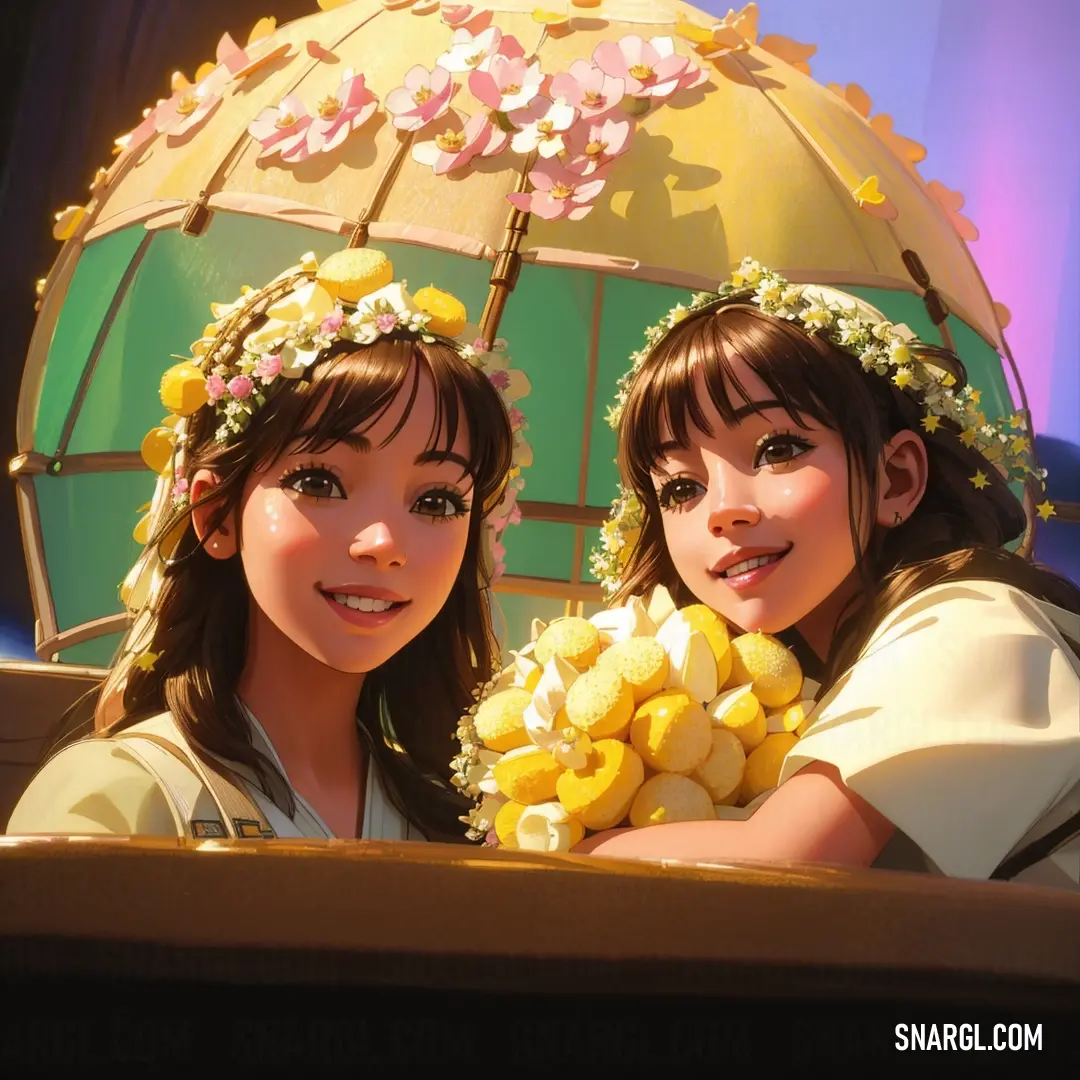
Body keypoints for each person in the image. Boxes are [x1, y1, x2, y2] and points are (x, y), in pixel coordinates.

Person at [575, 257, 1080, 889]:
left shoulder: (975, 624)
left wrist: (562, 845)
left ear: (896, 476)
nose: (724, 511)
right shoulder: (778, 699)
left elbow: (781, 864)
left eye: (777, 450)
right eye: (681, 487)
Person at [7, 248, 530, 843]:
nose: (383, 543)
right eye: (320, 482)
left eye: (436, 502)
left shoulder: (456, 822)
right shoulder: (123, 797)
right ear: (216, 513)